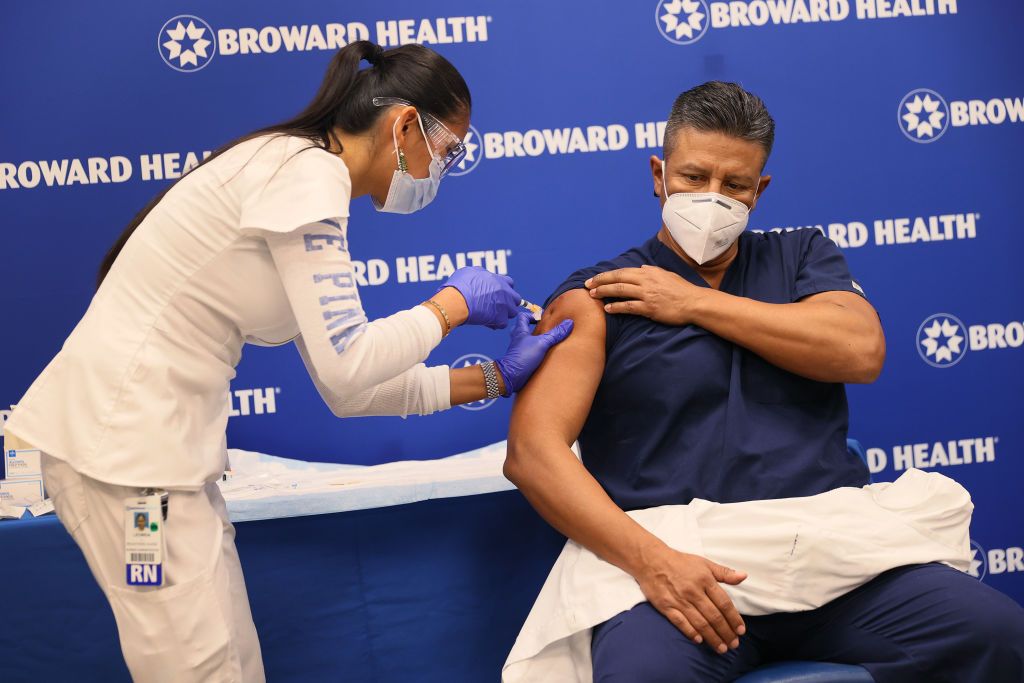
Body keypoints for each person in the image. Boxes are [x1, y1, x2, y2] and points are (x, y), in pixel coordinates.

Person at [3, 41, 571, 682]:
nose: (445, 168)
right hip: (129, 469)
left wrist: (496, 379)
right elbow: (352, 366)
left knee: (232, 662)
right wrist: (450, 306)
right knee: (194, 668)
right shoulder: (305, 175)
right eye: (450, 150)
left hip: (158, 466)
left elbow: (349, 391)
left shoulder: (299, 178)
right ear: (405, 125)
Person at [504, 81, 1024, 682]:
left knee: (1000, 637)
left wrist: (693, 303)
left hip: (836, 562)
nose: (712, 197)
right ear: (658, 173)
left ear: (761, 190)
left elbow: (860, 350)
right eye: (694, 177)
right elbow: (534, 454)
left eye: (735, 185)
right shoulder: (599, 295)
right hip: (685, 571)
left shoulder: (801, 258)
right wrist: (655, 564)